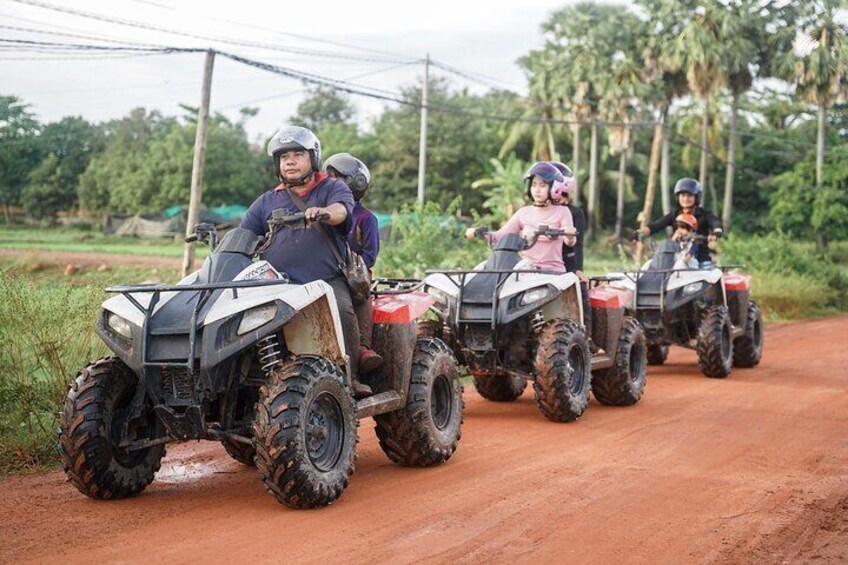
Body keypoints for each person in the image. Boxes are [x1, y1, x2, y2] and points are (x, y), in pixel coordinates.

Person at [240, 125, 371, 397]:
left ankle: (350, 378)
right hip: (276, 285)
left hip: (325, 280)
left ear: (313, 157)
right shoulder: (266, 201)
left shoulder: (332, 188)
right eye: (284, 156)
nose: (290, 160)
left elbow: (341, 211)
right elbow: (243, 234)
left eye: (298, 154)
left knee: (343, 309)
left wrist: (324, 212)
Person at [324, 152, 383, 373]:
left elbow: (371, 254)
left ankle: (363, 348)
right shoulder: (326, 213)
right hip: (329, 267)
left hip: (355, 270)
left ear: (354, 184)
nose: (331, 183)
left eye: (337, 179)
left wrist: (352, 268)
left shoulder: (366, 218)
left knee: (360, 293)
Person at [465, 161, 577, 271]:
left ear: (554, 188)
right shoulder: (523, 212)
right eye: (534, 185)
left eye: (542, 185)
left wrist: (570, 234)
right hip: (526, 271)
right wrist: (479, 233)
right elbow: (500, 236)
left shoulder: (563, 211)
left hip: (552, 272)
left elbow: (570, 242)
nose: (537, 190)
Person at [548, 161, 601, 353]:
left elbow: (577, 243)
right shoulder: (535, 210)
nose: (559, 198)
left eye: (563, 194)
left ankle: (587, 337)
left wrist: (577, 268)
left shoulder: (575, 213)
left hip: (567, 262)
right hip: (538, 264)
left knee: (581, 291)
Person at [633, 177, 722, 268]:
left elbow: (715, 222)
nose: (686, 199)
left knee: (711, 276)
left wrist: (716, 232)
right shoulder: (674, 216)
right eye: (683, 195)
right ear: (678, 197)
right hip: (676, 258)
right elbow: (655, 226)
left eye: (689, 195)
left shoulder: (704, 215)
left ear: (696, 197)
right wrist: (639, 233)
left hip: (700, 260)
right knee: (649, 267)